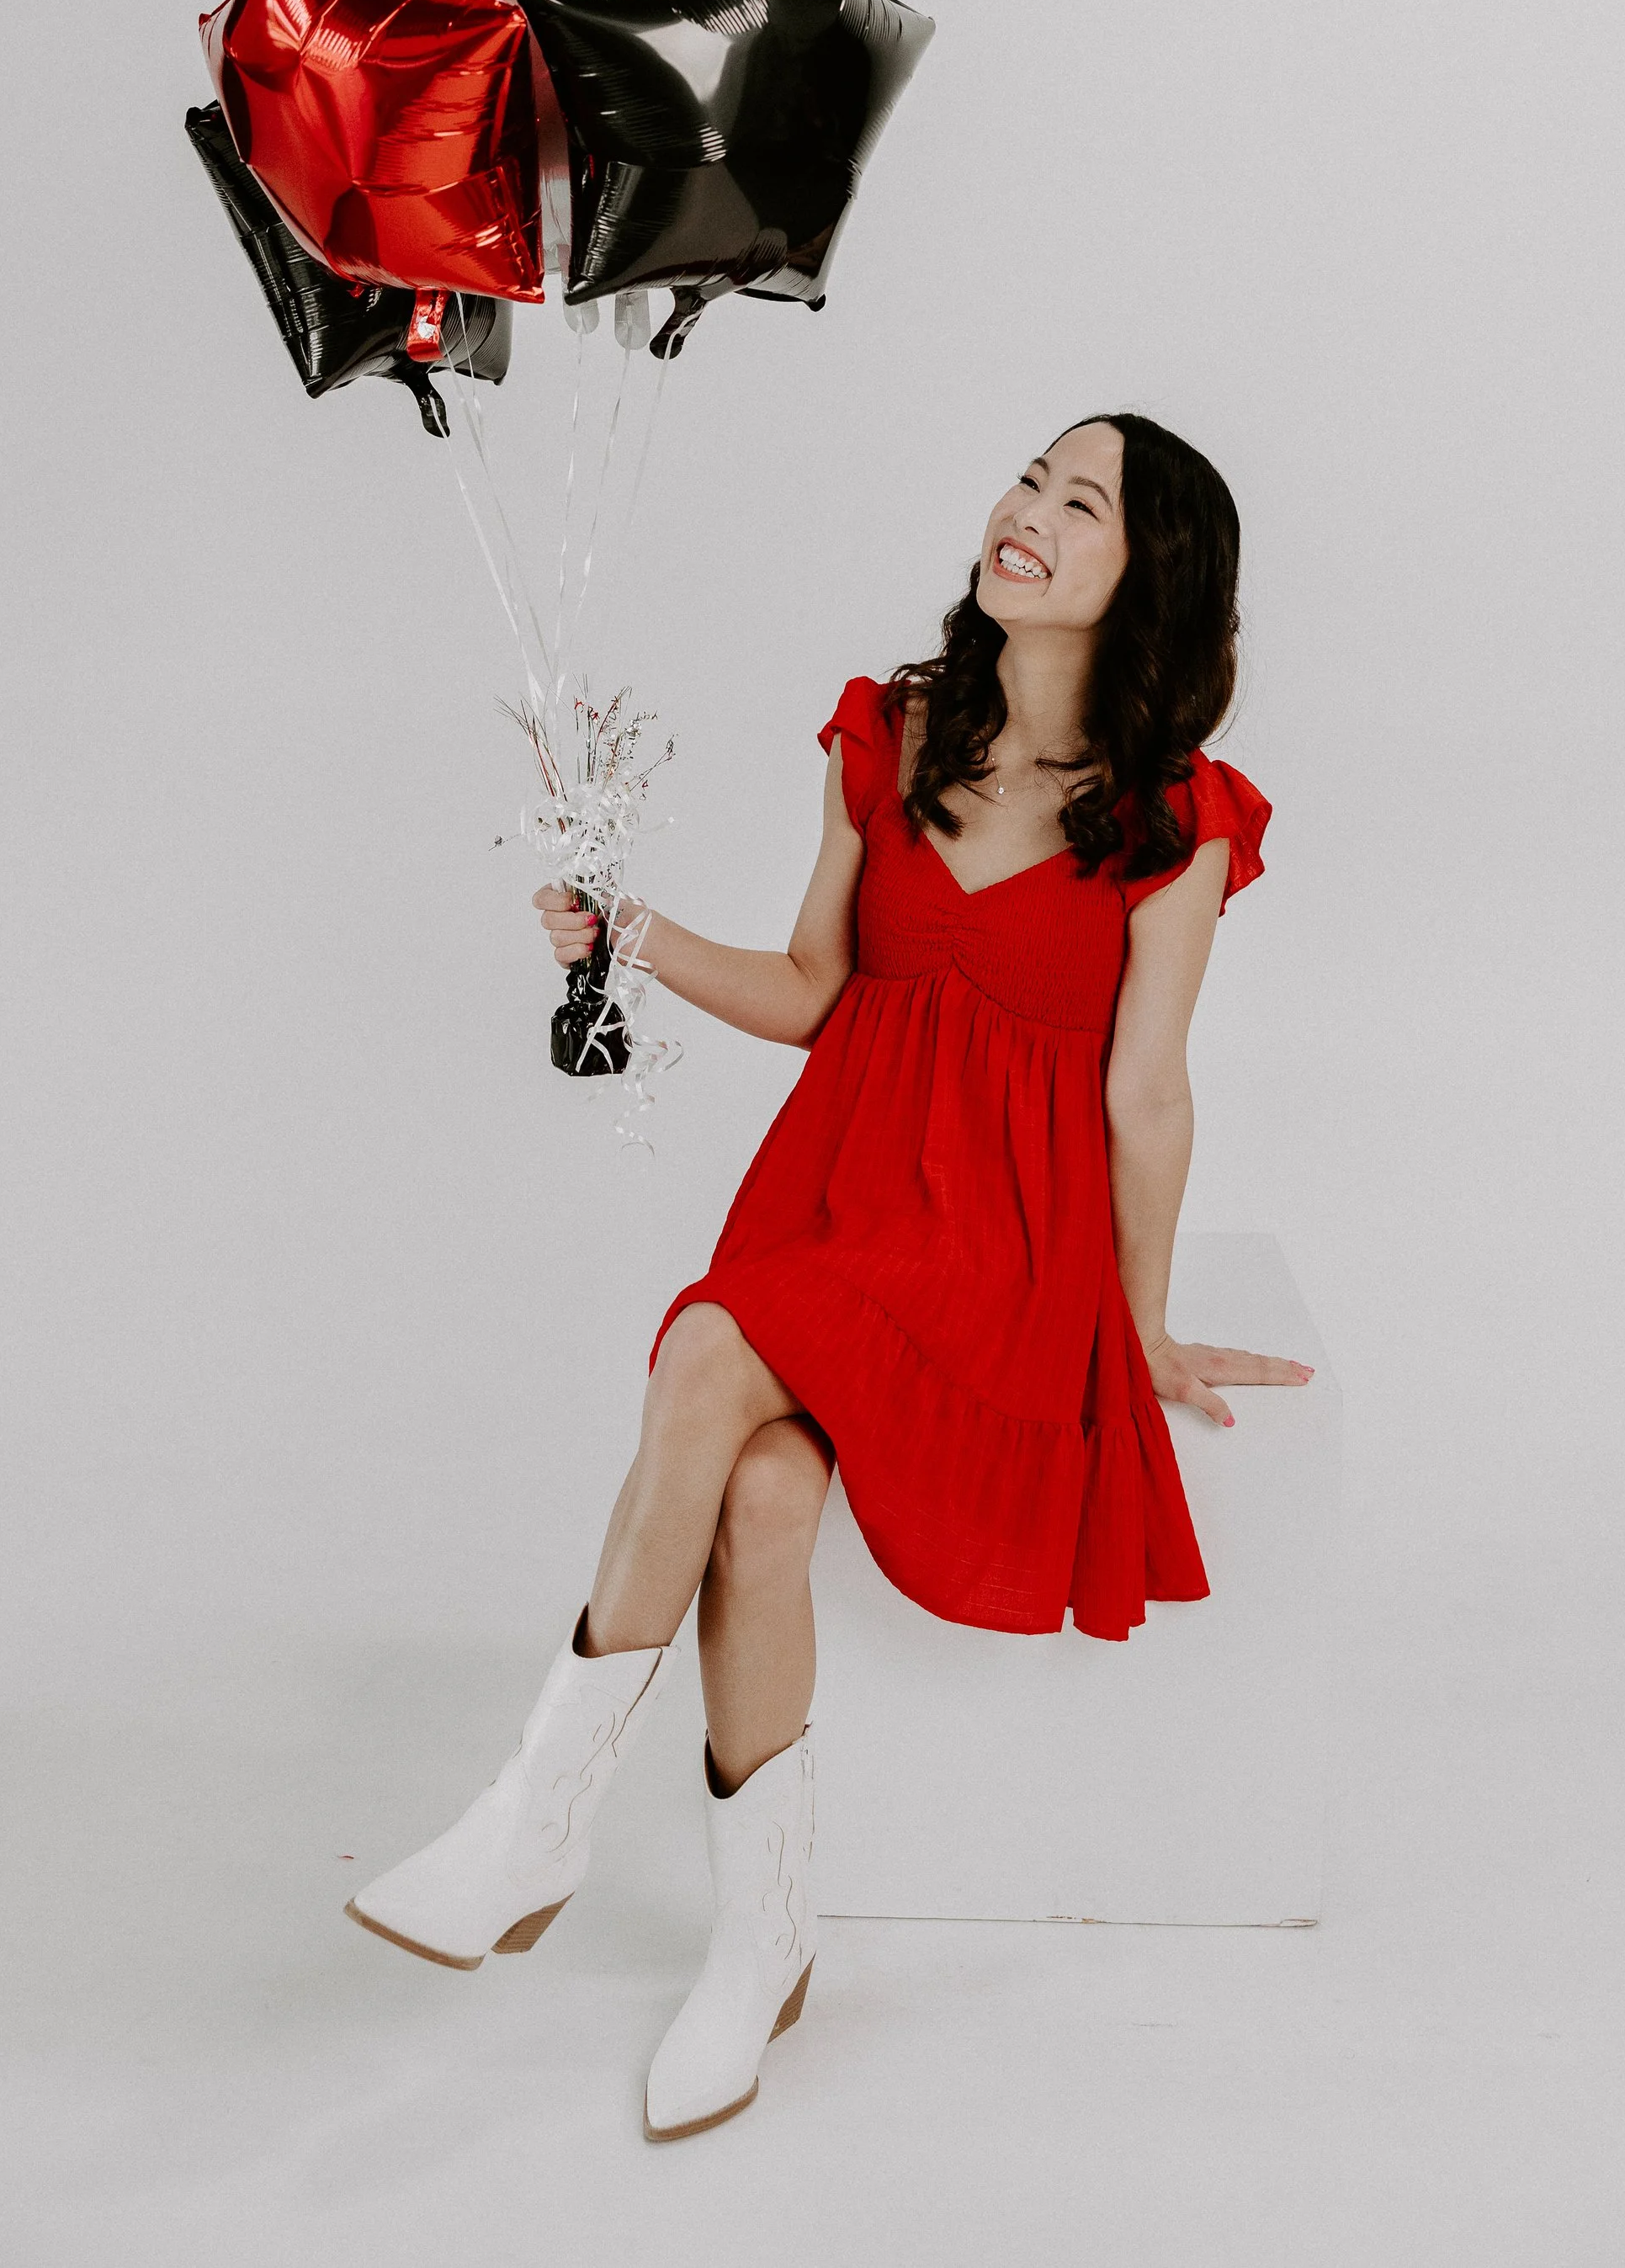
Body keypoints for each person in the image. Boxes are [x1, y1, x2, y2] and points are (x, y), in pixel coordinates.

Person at [346, 412, 1312, 2140]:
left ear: (1146, 575)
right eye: (1029, 475)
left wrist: (1141, 1315)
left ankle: (536, 1816)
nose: (1024, 510)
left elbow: (1147, 1094)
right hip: (842, 1196)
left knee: (708, 1349)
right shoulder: (897, 732)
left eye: (1078, 502)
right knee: (764, 1500)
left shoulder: (1178, 820)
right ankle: (765, 1938)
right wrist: (629, 930)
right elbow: (814, 988)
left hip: (1002, 1250)